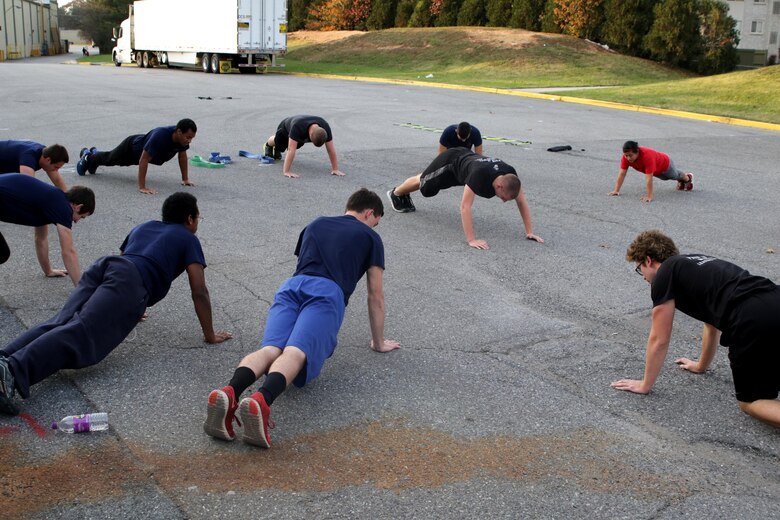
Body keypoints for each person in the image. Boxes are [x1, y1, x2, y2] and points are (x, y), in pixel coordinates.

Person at [0, 192, 232, 416]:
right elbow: (199, 290)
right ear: (189, 219)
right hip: (128, 282)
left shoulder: (145, 226)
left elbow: (124, 257)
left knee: (61, 321)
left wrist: (127, 304)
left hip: (107, 267)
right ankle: (10, 372)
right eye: (198, 218)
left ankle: (5, 357)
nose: (197, 223)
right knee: (81, 332)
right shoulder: (188, 238)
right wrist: (209, 334)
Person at [204, 188, 398, 447]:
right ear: (369, 213)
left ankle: (230, 392)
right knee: (295, 352)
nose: (376, 226)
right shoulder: (370, 237)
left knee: (271, 348)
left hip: (292, 286)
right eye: (377, 221)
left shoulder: (316, 224)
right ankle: (262, 400)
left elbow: (304, 263)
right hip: (327, 293)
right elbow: (375, 295)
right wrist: (378, 341)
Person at [612, 230, 780, 429]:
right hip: (773, 296)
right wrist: (701, 365)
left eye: (640, 269)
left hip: (752, 319)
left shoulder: (665, 274)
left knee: (751, 402)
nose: (643, 277)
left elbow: (659, 338)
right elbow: (711, 324)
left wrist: (645, 384)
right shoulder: (694, 262)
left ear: (648, 260)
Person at [386, 148, 544, 250]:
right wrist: (471, 240)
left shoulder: (510, 175)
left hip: (465, 164)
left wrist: (530, 232)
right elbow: (465, 207)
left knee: (425, 182)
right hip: (450, 163)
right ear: (500, 187)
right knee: (424, 184)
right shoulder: (479, 176)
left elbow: (521, 201)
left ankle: (402, 192)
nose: (503, 201)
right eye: (504, 198)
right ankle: (396, 193)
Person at [0, 174, 94, 286]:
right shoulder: (62, 208)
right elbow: (69, 251)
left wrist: (48, 270)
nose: (77, 221)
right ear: (78, 207)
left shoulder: (51, 203)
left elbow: (41, 239)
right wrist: (81, 289)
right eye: (81, 216)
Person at [76, 118, 198, 195]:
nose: (189, 141)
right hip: (131, 148)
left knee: (110, 158)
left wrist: (185, 179)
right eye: (188, 137)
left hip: (140, 151)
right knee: (110, 159)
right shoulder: (160, 136)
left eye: (192, 138)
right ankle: (88, 156)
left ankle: (95, 154)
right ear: (179, 132)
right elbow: (144, 159)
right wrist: (142, 187)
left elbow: (182, 157)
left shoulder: (182, 141)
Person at [608, 141, 694, 203]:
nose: (628, 158)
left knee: (674, 175)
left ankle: (688, 178)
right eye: (626, 155)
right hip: (656, 170)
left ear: (637, 152)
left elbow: (649, 179)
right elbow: (622, 174)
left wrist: (649, 196)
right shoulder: (625, 158)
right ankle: (681, 180)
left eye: (630, 155)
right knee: (665, 178)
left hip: (665, 164)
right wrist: (616, 190)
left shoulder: (647, 156)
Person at [263, 115, 344, 178]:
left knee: (294, 146)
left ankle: (277, 149)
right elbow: (291, 150)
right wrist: (286, 171)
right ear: (310, 135)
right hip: (285, 128)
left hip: (301, 132)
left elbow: (331, 150)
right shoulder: (297, 127)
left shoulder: (325, 126)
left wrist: (335, 169)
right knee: (279, 144)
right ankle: (268, 145)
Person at [0, 140, 69, 191]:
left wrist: (68, 200)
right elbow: (28, 186)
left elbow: (57, 180)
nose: (56, 170)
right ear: (48, 160)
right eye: (56, 167)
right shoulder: (29, 158)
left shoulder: (46, 154)